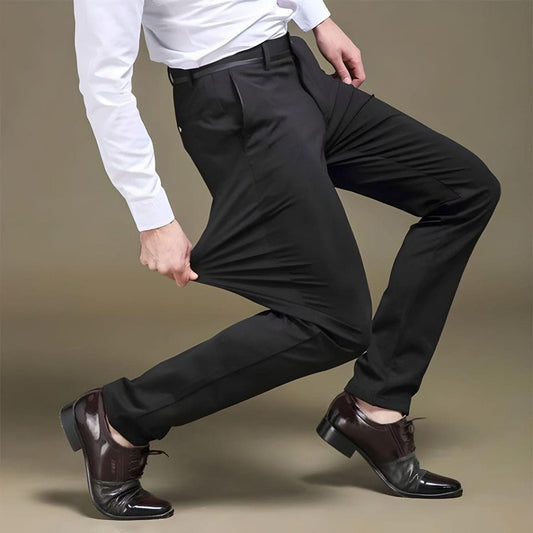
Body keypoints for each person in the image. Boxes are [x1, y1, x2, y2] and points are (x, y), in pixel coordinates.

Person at [60, 0, 501, 520]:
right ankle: (119, 417)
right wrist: (152, 216)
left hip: (296, 70)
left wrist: (317, 17)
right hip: (238, 99)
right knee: (335, 324)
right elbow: (103, 83)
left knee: (464, 192)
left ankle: (377, 406)